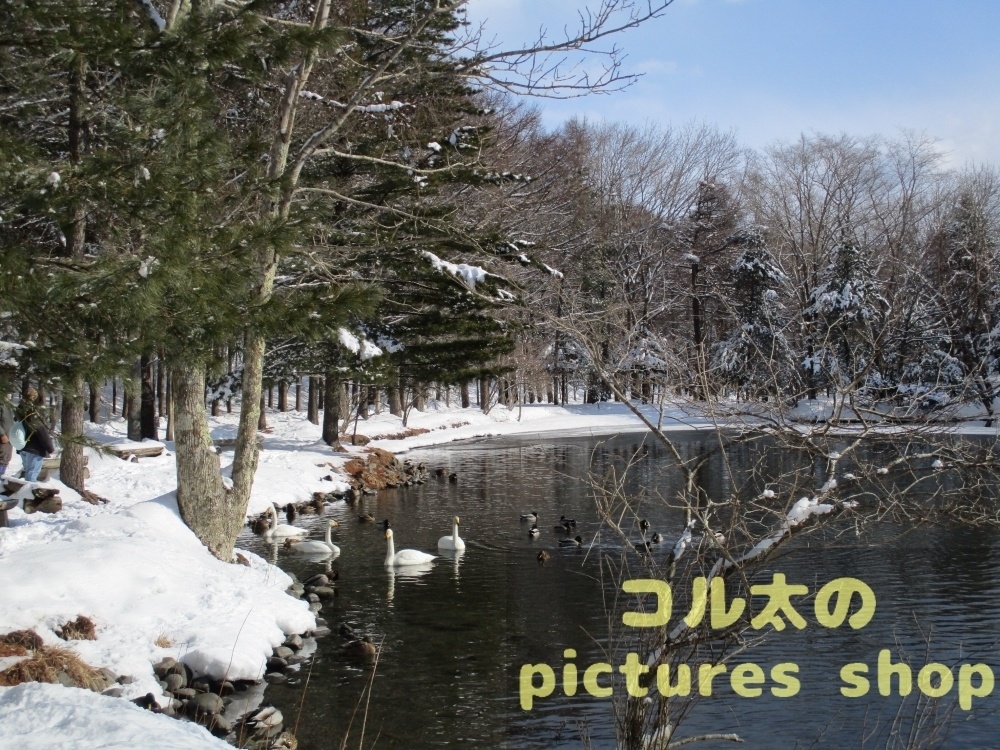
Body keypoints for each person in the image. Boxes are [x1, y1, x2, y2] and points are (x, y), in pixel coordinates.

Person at [15, 386, 55, 483]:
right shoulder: (33, 413)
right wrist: (50, 448)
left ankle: (23, 494)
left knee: (28, 472)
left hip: (22, 447)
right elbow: (41, 431)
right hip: (34, 449)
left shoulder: (20, 411)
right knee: (31, 476)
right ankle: (28, 496)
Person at [0, 399, 13, 476]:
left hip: (9, 437)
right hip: (2, 438)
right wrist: (2, 434)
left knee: (7, 458)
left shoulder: (8, 405)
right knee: (2, 459)